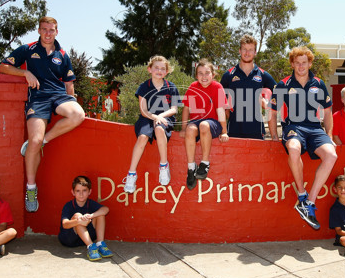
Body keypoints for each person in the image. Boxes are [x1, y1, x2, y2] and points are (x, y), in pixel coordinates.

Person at [0, 16, 85, 213]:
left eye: (51, 30)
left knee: (78, 115)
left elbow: (69, 84)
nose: (48, 33)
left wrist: (71, 99)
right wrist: (25, 74)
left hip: (59, 96)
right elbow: (3, 67)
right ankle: (31, 188)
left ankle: (42, 141)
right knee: (34, 141)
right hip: (37, 99)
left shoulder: (62, 54)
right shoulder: (27, 49)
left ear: (57, 31)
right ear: (39, 30)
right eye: (44, 29)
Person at [269, 46, 338, 230]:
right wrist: (274, 136)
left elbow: (328, 112)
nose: (301, 66)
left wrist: (329, 135)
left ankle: (309, 203)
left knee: (331, 155)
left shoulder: (318, 83)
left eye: (304, 63)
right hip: (293, 127)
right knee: (293, 148)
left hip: (315, 128)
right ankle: (301, 194)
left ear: (309, 63)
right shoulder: (283, 84)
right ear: (292, 64)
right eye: (297, 63)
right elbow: (273, 112)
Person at [123, 56, 179, 192]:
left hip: (165, 118)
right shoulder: (144, 87)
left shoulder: (171, 87)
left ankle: (164, 166)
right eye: (156, 68)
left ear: (166, 72)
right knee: (142, 137)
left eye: (162, 69)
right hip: (147, 117)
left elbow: (174, 109)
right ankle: (131, 174)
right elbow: (144, 110)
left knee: (159, 129)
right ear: (150, 69)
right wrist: (154, 117)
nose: (159, 71)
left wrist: (160, 116)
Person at [180, 59, 229, 190]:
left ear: (213, 75)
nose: (204, 76)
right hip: (196, 121)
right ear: (196, 76)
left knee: (204, 125)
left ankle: (204, 163)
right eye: (200, 73)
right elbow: (186, 108)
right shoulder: (193, 86)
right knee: (190, 130)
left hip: (213, 122)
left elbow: (221, 110)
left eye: (207, 73)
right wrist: (183, 128)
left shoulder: (217, 87)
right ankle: (191, 167)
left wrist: (224, 131)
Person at [220, 34, 278, 140]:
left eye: (250, 49)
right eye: (244, 49)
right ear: (239, 51)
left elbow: (279, 92)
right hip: (233, 129)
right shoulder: (228, 75)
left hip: (257, 130)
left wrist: (266, 103)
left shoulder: (263, 75)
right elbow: (219, 102)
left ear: (255, 52)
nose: (247, 53)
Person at [58, 175, 113, 261]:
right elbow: (65, 224)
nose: (81, 194)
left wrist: (91, 215)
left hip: (87, 237)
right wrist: (78, 221)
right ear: (73, 192)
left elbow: (106, 209)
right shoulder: (68, 205)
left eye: (84, 190)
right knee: (78, 215)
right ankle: (91, 247)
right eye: (78, 191)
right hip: (70, 239)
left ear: (89, 192)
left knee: (100, 214)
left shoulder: (90, 203)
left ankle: (100, 244)